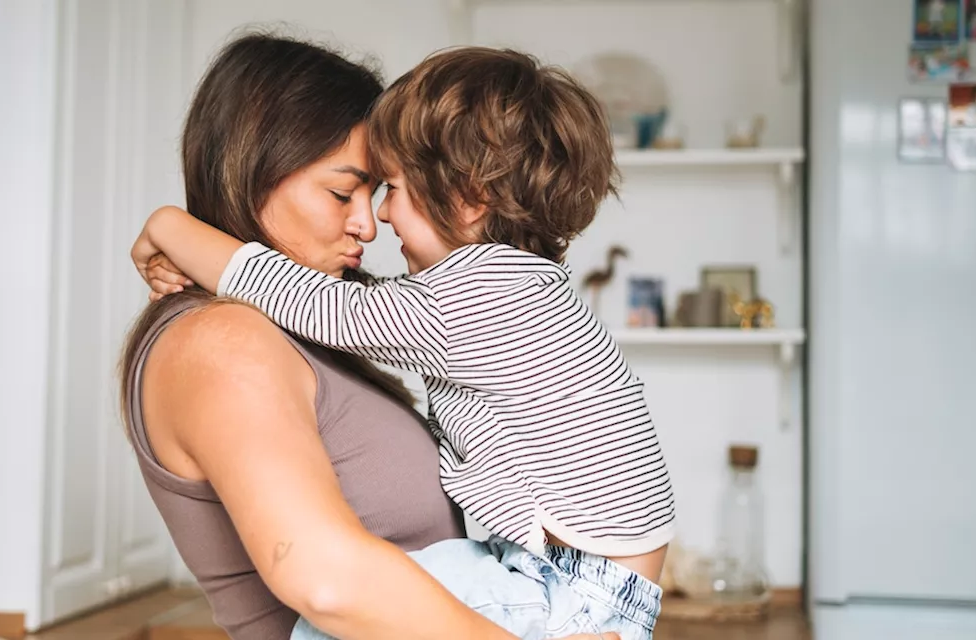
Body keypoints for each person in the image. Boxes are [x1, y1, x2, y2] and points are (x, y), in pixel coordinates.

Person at [133, 47, 673, 640]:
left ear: (469, 198)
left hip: (568, 590)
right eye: (345, 193)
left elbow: (317, 304)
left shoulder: (486, 293)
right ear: (252, 170)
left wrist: (170, 227)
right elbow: (329, 583)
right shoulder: (223, 342)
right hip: (567, 586)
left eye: (388, 189)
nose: (376, 221)